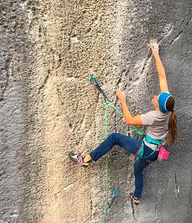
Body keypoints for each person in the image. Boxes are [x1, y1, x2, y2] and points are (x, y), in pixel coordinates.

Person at [69, 41, 178, 205]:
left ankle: (86, 159)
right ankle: (137, 197)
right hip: (155, 153)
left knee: (114, 138)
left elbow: (129, 120)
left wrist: (122, 100)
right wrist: (155, 54)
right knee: (138, 169)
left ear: (158, 104)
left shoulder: (153, 116)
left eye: (157, 97)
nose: (155, 96)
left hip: (146, 150)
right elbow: (162, 76)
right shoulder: (168, 108)